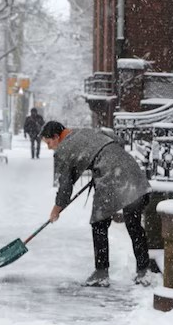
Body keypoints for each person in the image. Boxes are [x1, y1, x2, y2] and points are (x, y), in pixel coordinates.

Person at [40, 120, 159, 287]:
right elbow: (116, 140)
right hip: (131, 169)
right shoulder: (85, 131)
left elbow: (66, 186)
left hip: (112, 175)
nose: (49, 147)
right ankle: (143, 271)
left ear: (56, 136)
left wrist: (56, 209)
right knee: (133, 223)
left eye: (49, 142)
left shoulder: (65, 148)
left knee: (99, 224)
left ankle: (101, 273)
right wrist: (101, 162)